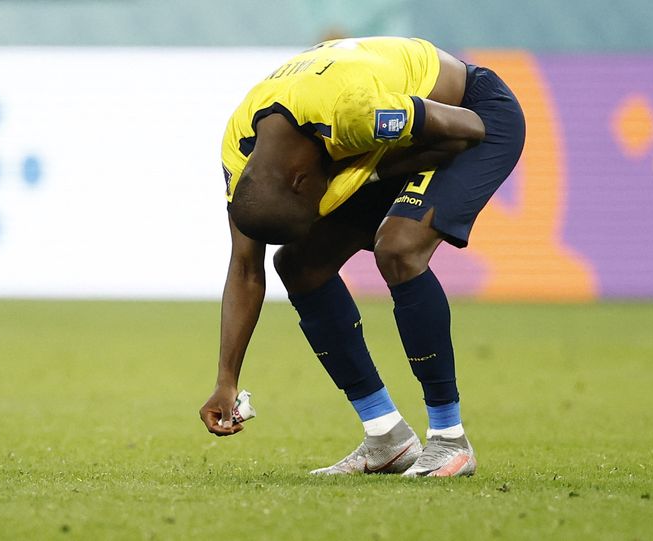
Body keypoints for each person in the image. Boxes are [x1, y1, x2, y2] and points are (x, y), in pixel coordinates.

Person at [199, 37, 525, 477]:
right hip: (374, 141)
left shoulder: (356, 113)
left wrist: (371, 171)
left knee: (399, 247)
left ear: (300, 181)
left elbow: (469, 131)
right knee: (300, 264)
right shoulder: (241, 160)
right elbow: (244, 266)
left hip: (472, 114)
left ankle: (450, 441)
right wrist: (226, 380)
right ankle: (386, 436)